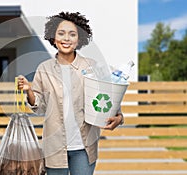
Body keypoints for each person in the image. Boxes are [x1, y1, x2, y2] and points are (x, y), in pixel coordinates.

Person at [17, 12, 124, 175]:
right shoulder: (44, 69)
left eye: (72, 34)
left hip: (84, 148)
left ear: (79, 39)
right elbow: (39, 108)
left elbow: (108, 97)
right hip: (54, 148)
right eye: (61, 33)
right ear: (53, 38)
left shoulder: (92, 66)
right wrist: (29, 90)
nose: (66, 38)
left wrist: (119, 118)